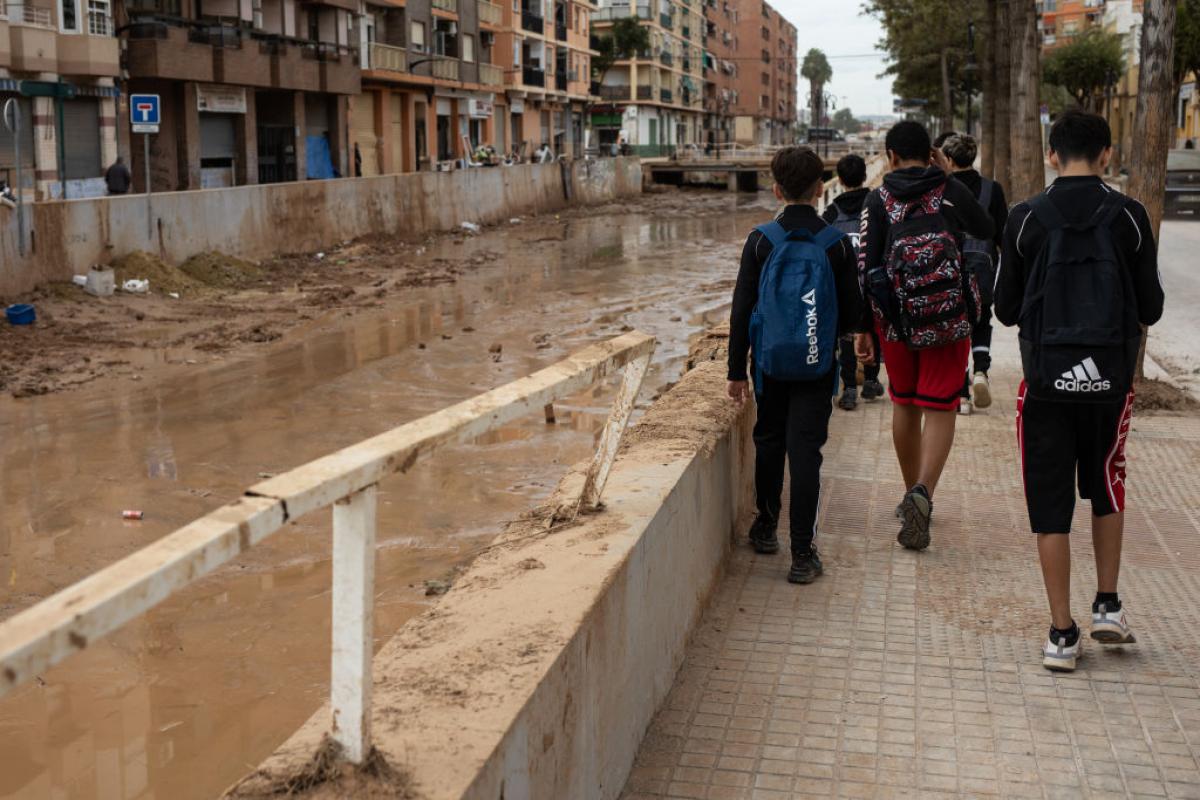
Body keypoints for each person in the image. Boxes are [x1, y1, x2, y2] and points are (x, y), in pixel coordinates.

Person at [994, 110, 1164, 672]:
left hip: (1046, 384)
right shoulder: (1130, 216)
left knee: (1050, 505)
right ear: (1106, 154)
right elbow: (1152, 307)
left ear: (1051, 154)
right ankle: (1108, 606)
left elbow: (1006, 309)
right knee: (1107, 485)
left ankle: (1062, 635)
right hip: (1109, 383)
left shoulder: (1025, 218)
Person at [854, 120, 993, 551]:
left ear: (891, 156)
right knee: (941, 406)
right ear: (932, 154)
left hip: (895, 322)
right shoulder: (948, 189)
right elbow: (985, 228)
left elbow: (866, 266)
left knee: (905, 403)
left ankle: (908, 492)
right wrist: (949, 178)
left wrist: (864, 328)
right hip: (948, 317)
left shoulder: (878, 199)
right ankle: (924, 492)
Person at [728, 146, 863, 584]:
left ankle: (766, 526)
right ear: (821, 188)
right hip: (816, 364)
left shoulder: (761, 240)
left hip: (768, 365)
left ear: (776, 190)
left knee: (769, 441)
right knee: (806, 453)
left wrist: (735, 371)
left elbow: (741, 310)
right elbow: (852, 314)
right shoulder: (836, 244)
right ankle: (803, 554)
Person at [941, 133, 1009, 414]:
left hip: (950, 267)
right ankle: (981, 370)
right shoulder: (992, 189)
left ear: (948, 159)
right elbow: (1002, 235)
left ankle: (961, 395)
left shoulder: (944, 189)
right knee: (982, 319)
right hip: (983, 267)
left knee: (955, 327)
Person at [822, 153, 883, 411]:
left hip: (842, 284)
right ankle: (870, 380)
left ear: (840, 179)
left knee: (846, 335)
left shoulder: (831, 211)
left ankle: (848, 389)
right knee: (872, 328)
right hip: (872, 280)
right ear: (864, 176)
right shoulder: (876, 204)